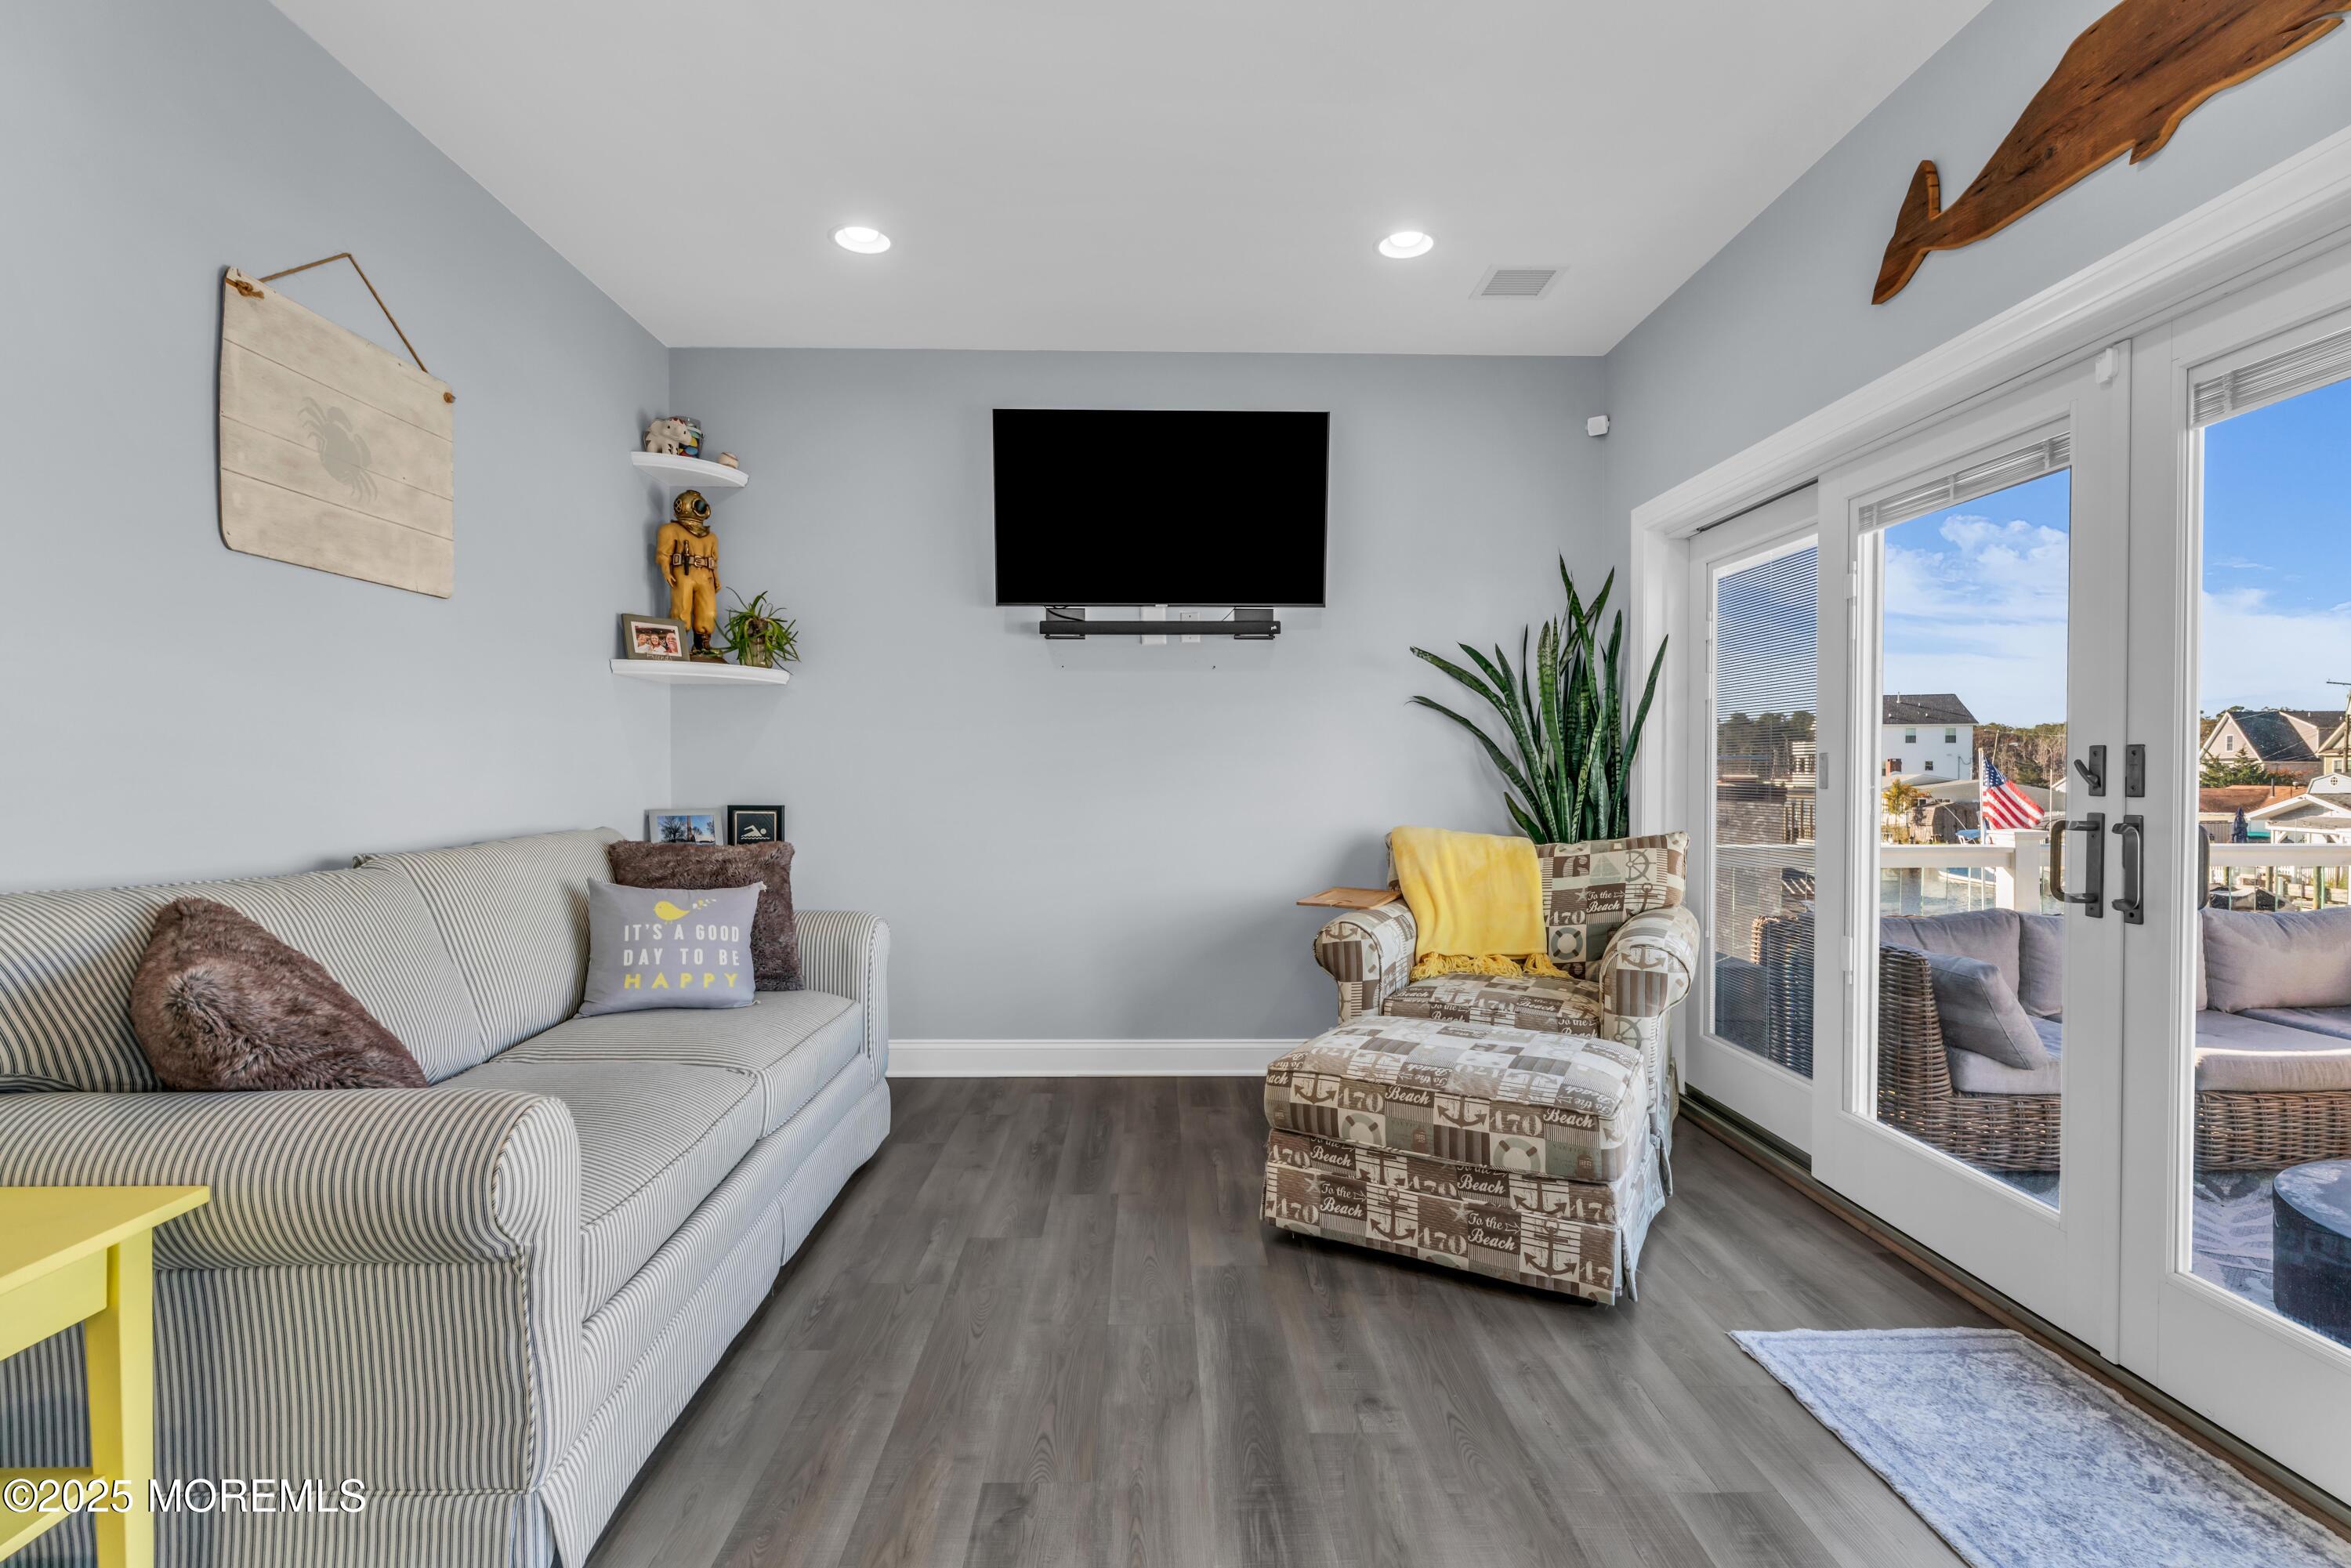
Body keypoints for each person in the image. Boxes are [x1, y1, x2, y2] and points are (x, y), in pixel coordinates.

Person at [656, 490, 723, 658]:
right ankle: (678, 646)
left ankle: (702, 646)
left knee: (709, 612)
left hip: (705, 576)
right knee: (682, 609)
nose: (702, 509)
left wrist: (716, 578)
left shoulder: (711, 537)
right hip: (683, 574)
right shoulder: (671, 529)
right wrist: (666, 570)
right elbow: (663, 554)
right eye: (698, 505)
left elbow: (714, 561)